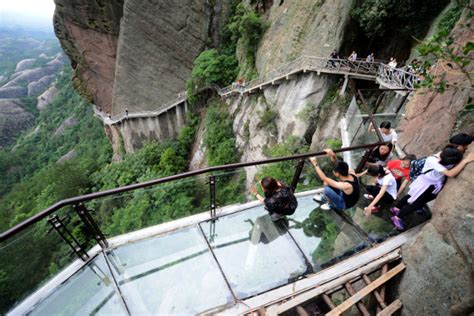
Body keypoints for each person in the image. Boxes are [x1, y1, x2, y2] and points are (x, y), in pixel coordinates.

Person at [390, 148, 474, 230]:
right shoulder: (433, 161)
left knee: (411, 195)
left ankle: (397, 208)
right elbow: (450, 173)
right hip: (426, 185)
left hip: (426, 183)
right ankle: (398, 217)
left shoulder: (443, 154)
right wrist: (465, 161)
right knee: (417, 204)